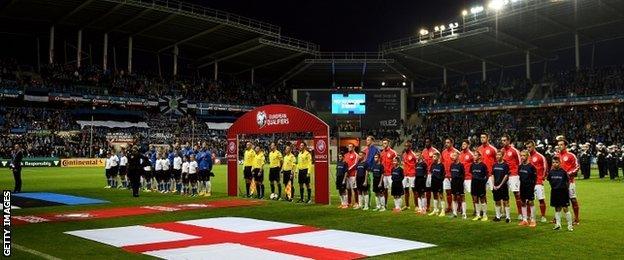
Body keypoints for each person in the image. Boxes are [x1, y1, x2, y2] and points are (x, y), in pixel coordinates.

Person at [557, 138, 580, 225]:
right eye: (558, 145)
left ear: (565, 145)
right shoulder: (557, 155)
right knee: (558, 200)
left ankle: (576, 219)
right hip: (559, 182)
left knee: (573, 199)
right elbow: (553, 166)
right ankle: (557, 218)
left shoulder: (571, 155)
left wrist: (568, 174)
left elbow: (577, 167)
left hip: (569, 182)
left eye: (561, 144)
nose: (560, 146)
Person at [526, 140, 549, 223]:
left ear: (534, 146)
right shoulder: (527, 157)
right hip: (529, 183)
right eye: (527, 147)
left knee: (541, 199)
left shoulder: (540, 156)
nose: (528, 149)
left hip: (538, 182)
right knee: (529, 200)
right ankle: (530, 216)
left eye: (530, 147)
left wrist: (542, 177)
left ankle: (543, 216)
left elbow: (545, 166)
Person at [548, 157, 573, 231]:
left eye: (556, 162)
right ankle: (558, 224)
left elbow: (568, 182)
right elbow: (549, 180)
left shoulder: (563, 172)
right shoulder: (551, 172)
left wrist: (565, 189)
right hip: (554, 192)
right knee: (557, 208)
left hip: (563, 192)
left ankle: (570, 225)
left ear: (560, 163)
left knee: (565, 208)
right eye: (553, 162)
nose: (554, 164)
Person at [500, 134, 522, 220]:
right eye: (502, 140)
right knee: (503, 195)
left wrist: (518, 174)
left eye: (505, 140)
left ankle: (520, 213)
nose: (503, 142)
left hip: (514, 175)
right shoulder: (501, 151)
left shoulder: (514, 151)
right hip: (504, 175)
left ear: (509, 141)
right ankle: (504, 212)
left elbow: (520, 163)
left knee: (517, 194)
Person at [518, 150, 537, 227]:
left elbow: (534, 179)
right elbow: (520, 177)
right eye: (521, 155)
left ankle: (533, 220)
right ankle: (525, 220)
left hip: (529, 187)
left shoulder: (531, 167)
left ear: (528, 156)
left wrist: (532, 187)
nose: (522, 157)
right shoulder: (520, 166)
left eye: (524, 155)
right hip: (522, 186)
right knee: (522, 202)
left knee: (531, 202)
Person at [492, 150, 511, 223]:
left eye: (499, 155)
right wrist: (493, 184)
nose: (497, 156)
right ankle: (498, 216)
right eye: (497, 155)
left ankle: (508, 217)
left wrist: (500, 185)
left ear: (502, 156)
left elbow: (506, 176)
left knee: (506, 201)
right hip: (496, 186)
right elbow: (492, 175)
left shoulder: (505, 165)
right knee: (497, 201)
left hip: (503, 186)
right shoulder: (494, 165)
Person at [441, 138, 459, 214]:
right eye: (446, 142)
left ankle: (458, 208)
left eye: (448, 142)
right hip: (446, 175)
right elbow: (442, 163)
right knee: (448, 192)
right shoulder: (443, 152)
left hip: (454, 175)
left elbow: (459, 163)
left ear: (452, 143)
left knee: (456, 193)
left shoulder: (456, 152)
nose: (446, 144)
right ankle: (449, 207)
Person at [422, 137, 439, 211]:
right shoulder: (424, 151)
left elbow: (438, 162)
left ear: (431, 143)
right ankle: (428, 206)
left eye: (428, 142)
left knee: (435, 191)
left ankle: (436, 207)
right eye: (426, 142)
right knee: (427, 191)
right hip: (426, 174)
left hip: (433, 174)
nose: (426, 143)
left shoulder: (435, 151)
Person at [471, 150, 489, 221]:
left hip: (481, 184)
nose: (474, 156)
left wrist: (484, 182)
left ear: (479, 156)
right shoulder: (472, 165)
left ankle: (485, 215)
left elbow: (487, 175)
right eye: (474, 155)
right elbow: (472, 173)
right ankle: (478, 215)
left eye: (475, 155)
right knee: (475, 199)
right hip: (474, 184)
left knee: (482, 199)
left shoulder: (483, 165)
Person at [459, 140, 476, 216]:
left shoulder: (471, 154)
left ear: (468, 145)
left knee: (473, 194)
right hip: (461, 178)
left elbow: (475, 164)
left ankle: (476, 209)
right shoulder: (460, 154)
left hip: (469, 178)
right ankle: (463, 209)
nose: (463, 145)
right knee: (462, 194)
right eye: (462, 144)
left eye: (465, 144)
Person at [380, 138, 398, 210]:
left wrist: (394, 172)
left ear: (388, 144)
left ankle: (397, 206)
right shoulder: (382, 153)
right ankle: (385, 205)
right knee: (384, 190)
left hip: (391, 174)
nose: (384, 145)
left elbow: (397, 162)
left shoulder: (393, 152)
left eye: (385, 143)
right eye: (383, 143)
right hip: (384, 174)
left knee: (394, 190)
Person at [428, 152, 445, 217]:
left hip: (439, 182)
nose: (433, 158)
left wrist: (440, 180)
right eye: (433, 157)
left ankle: (443, 210)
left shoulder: (441, 165)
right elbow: (431, 172)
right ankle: (435, 209)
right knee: (434, 195)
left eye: (434, 157)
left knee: (441, 195)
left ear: (438, 157)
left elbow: (443, 175)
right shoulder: (432, 165)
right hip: (433, 182)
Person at [449, 151, 465, 219]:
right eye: (453, 155)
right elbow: (451, 173)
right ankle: (454, 213)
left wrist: (460, 182)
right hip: (453, 183)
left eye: (455, 155)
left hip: (459, 183)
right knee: (454, 197)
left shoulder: (461, 165)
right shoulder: (452, 165)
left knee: (462, 197)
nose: (453, 157)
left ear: (458, 156)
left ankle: (464, 213)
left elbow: (463, 175)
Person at [402, 140, 417, 210]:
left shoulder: (413, 155)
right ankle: (407, 205)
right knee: (406, 190)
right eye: (405, 146)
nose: (406, 147)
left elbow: (416, 165)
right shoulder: (404, 154)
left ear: (410, 147)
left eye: (407, 146)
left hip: (412, 174)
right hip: (405, 175)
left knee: (414, 190)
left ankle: (416, 206)